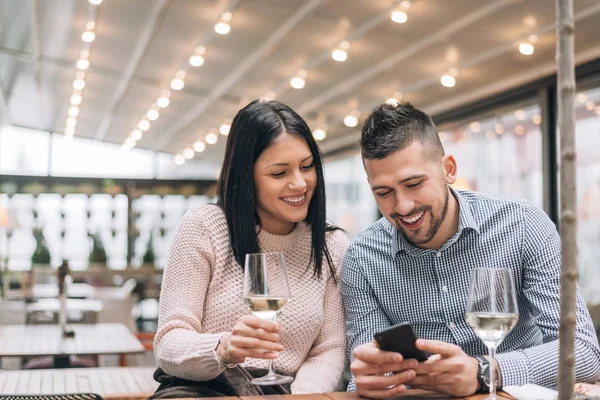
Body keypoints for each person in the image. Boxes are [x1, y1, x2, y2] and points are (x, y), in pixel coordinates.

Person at [341, 101, 600, 399]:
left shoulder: (523, 225)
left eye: (413, 184)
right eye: (384, 192)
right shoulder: (361, 258)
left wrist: (485, 371)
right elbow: (369, 366)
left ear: (448, 169)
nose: (402, 206)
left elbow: (582, 351)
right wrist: (370, 375)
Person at [151, 100, 349, 398]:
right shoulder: (204, 227)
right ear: (247, 178)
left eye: (307, 167)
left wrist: (301, 397)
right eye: (279, 173)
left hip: (288, 392)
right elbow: (168, 343)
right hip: (202, 389)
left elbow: (330, 350)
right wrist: (223, 347)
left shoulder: (331, 246)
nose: (299, 183)